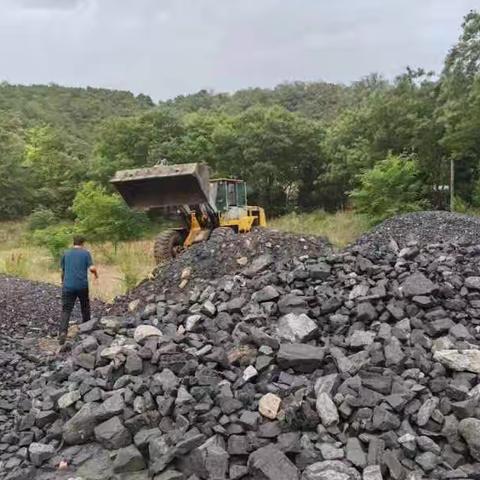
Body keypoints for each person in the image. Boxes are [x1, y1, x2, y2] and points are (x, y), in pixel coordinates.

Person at [59, 235, 98, 344]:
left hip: (68, 286)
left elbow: (62, 270)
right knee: (85, 307)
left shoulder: (66, 253)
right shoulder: (86, 253)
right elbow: (92, 268)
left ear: (73, 242)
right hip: (82, 286)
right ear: (83, 243)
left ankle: (62, 332)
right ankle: (87, 331)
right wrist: (96, 275)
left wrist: (63, 282)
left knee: (66, 309)